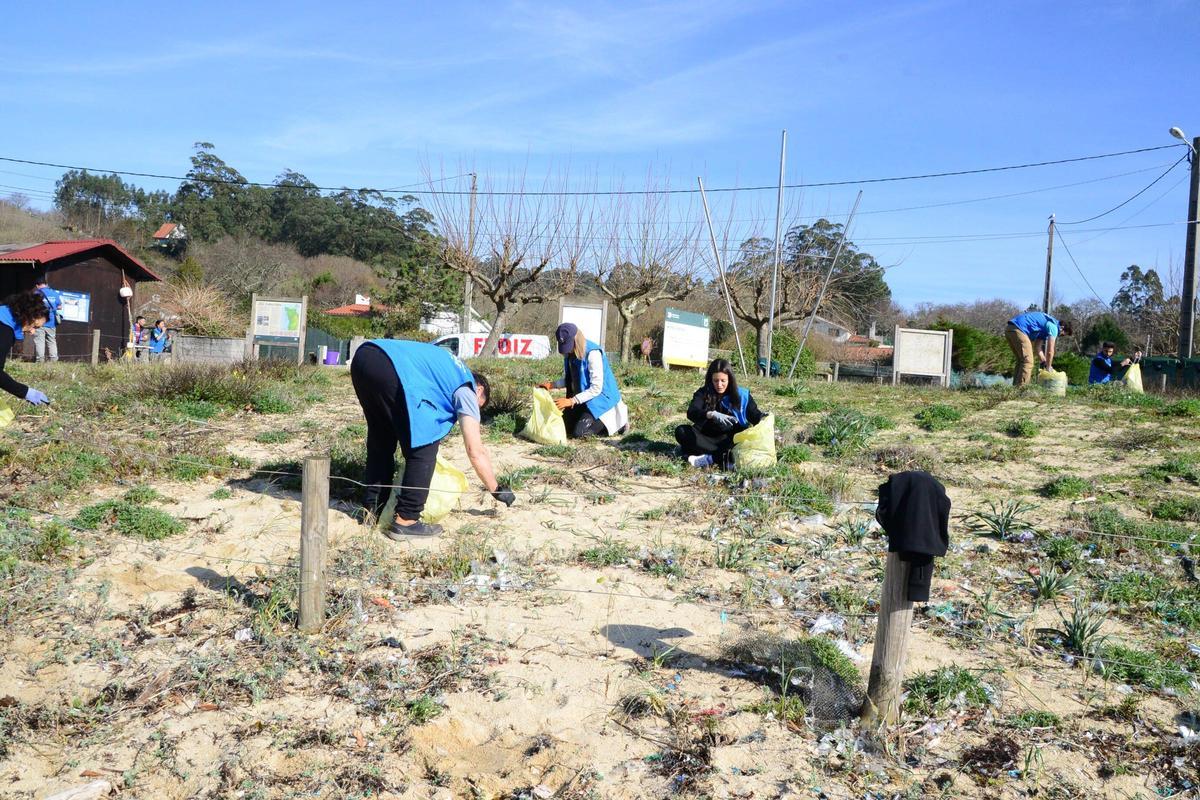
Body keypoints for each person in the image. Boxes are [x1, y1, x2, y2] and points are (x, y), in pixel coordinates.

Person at [350, 338, 515, 539]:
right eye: (477, 407)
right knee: (424, 445)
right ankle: (406, 520)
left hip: (365, 357)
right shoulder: (466, 386)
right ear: (479, 390)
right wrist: (496, 489)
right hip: (392, 367)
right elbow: (475, 451)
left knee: (382, 439)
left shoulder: (447, 369)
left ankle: (372, 511)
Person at [537, 323, 629, 439]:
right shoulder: (570, 355)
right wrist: (552, 385)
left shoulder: (593, 354)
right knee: (565, 428)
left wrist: (571, 401)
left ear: (576, 339)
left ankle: (619, 423)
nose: (567, 350)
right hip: (583, 399)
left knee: (580, 433)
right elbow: (573, 379)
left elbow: (596, 389)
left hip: (601, 400)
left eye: (569, 345)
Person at [674, 358, 764, 468]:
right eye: (715, 381)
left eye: (723, 381)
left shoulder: (742, 395)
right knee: (682, 431)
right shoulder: (703, 393)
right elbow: (692, 412)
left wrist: (764, 418)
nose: (719, 385)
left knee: (742, 444)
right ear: (710, 379)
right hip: (707, 438)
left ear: (730, 379)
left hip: (730, 440)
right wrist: (710, 414)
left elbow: (755, 415)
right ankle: (722, 457)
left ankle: (711, 458)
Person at [0, 290, 52, 406]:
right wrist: (25, 392)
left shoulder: (3, 313)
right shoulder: (4, 331)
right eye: (35, 326)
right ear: (28, 316)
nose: (33, 332)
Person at [1004, 311, 1072, 387]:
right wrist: (1049, 367)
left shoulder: (1046, 327)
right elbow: (1050, 351)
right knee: (1028, 362)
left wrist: (1044, 362)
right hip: (1019, 329)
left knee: (1021, 361)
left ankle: (1015, 388)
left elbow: (1037, 347)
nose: (1059, 336)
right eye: (1062, 334)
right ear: (1062, 328)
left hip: (1010, 328)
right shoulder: (1054, 327)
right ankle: (1021, 390)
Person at [33, 279, 62, 364]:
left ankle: (40, 360)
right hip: (51, 321)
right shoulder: (54, 293)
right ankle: (53, 360)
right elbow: (60, 307)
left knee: (39, 341)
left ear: (37, 285)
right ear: (46, 284)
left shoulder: (36, 294)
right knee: (52, 341)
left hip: (39, 322)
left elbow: (32, 306)